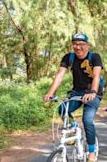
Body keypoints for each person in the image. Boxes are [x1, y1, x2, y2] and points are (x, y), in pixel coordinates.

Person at [43, 32, 103, 162]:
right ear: (72, 45)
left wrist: (93, 92)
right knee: (62, 109)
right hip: (77, 92)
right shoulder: (68, 57)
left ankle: (91, 152)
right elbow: (60, 75)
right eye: (75, 44)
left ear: (87, 45)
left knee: (87, 120)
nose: (78, 47)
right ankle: (74, 126)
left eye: (81, 44)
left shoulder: (95, 57)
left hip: (93, 92)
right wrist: (50, 93)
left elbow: (97, 76)